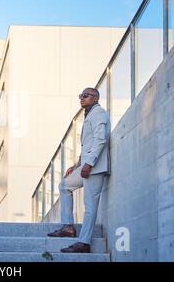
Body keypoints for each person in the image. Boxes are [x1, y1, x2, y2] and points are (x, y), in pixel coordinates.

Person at [47, 87, 111, 253]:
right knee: (64, 186)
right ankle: (68, 226)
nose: (82, 98)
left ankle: (84, 243)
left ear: (96, 98)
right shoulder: (89, 115)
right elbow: (88, 145)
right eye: (80, 96)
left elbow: (100, 140)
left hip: (95, 168)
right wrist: (77, 165)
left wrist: (89, 164)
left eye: (86, 95)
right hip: (86, 166)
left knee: (89, 206)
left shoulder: (99, 113)